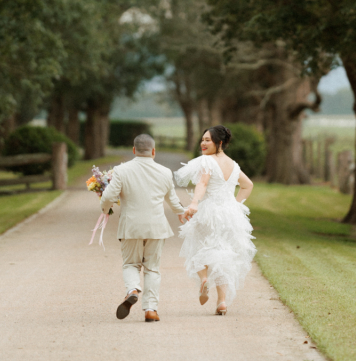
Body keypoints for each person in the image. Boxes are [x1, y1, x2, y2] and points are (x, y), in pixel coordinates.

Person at [100, 134, 186, 323]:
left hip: (131, 226)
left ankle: (132, 289)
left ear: (133, 150)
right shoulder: (165, 172)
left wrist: (106, 210)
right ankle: (150, 310)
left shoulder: (121, 170)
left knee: (131, 264)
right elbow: (172, 200)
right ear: (153, 151)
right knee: (152, 269)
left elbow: (107, 197)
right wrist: (182, 212)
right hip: (156, 227)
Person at [174, 125, 256, 315]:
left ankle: (204, 279)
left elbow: (202, 183)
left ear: (219, 143)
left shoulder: (207, 161)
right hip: (230, 214)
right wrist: (236, 204)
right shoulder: (233, 165)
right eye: (202, 139)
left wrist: (194, 203)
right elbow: (248, 185)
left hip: (209, 211)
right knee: (223, 253)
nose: (203, 143)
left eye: (207, 140)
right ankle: (222, 301)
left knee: (199, 246)